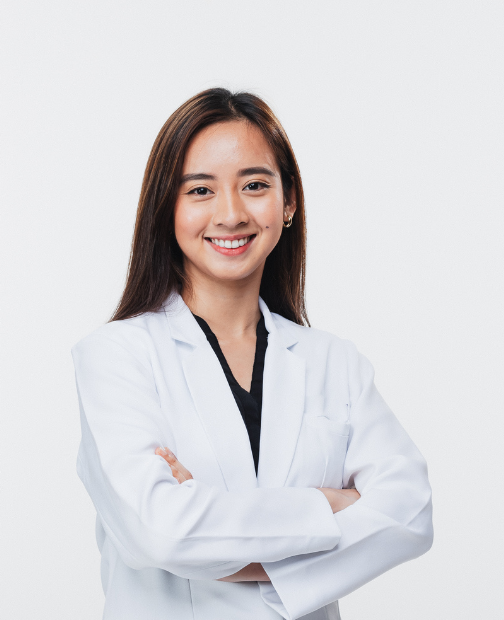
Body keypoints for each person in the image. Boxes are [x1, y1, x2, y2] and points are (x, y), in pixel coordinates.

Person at [72, 88, 433, 620]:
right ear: (167, 208)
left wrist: (215, 541)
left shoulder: (334, 362)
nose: (231, 213)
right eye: (200, 190)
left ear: (289, 203)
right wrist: (331, 505)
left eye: (255, 185)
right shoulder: (116, 356)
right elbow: (160, 531)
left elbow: (411, 512)